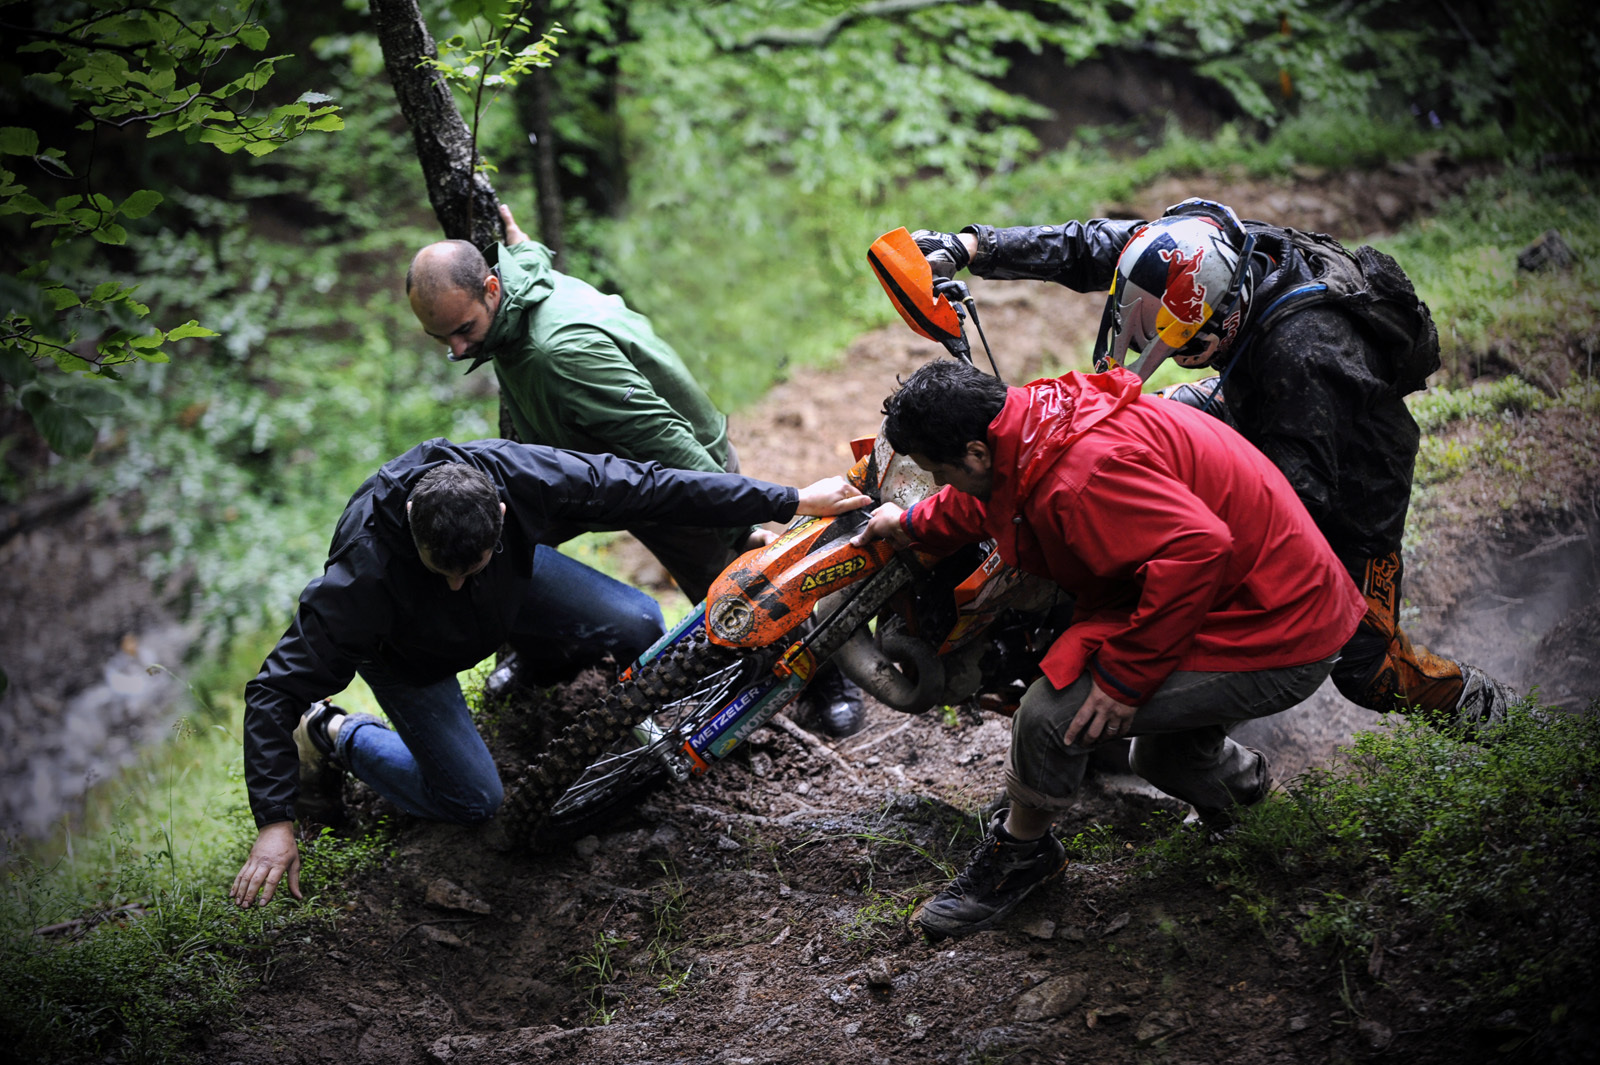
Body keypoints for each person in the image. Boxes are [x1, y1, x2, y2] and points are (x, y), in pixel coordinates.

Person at [908, 200, 1519, 735]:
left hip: (1351, 476)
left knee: (1369, 668)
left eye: (1190, 348)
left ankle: (1502, 718)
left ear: (1225, 318)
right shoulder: (1191, 254)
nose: (1178, 357)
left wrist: (1152, 533)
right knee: (1141, 433)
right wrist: (973, 247)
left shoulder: (1305, 354)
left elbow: (1291, 501)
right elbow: (1092, 246)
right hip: (1249, 399)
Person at [229, 437, 868, 908]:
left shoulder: (518, 476)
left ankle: (604, 725)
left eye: (469, 569)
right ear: (412, 522)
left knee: (638, 620)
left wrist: (789, 500)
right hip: (410, 659)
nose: (453, 584)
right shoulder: (360, 579)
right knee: (474, 801)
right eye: (439, 572)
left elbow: (644, 487)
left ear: (502, 517)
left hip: (512, 589)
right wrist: (274, 823)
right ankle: (332, 733)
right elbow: (274, 688)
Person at [852, 360, 1365, 939]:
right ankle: (1254, 806)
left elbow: (1198, 550)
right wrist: (913, 522)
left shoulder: (1083, 475)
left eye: (939, 471)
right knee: (1163, 761)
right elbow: (996, 495)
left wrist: (1124, 680)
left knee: (1051, 715)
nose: (942, 480)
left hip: (1277, 623)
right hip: (1246, 592)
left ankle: (1023, 856)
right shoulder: (1032, 427)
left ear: (974, 452)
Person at [406, 207, 865, 735]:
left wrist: (738, 523)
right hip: (589, 471)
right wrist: (523, 245)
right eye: (442, 339)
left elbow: (664, 439)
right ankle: (549, 655)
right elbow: (527, 259)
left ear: (492, 290)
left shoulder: (560, 353)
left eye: (464, 330)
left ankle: (827, 680)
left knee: (740, 591)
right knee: (499, 538)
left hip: (678, 474)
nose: (458, 349)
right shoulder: (518, 284)